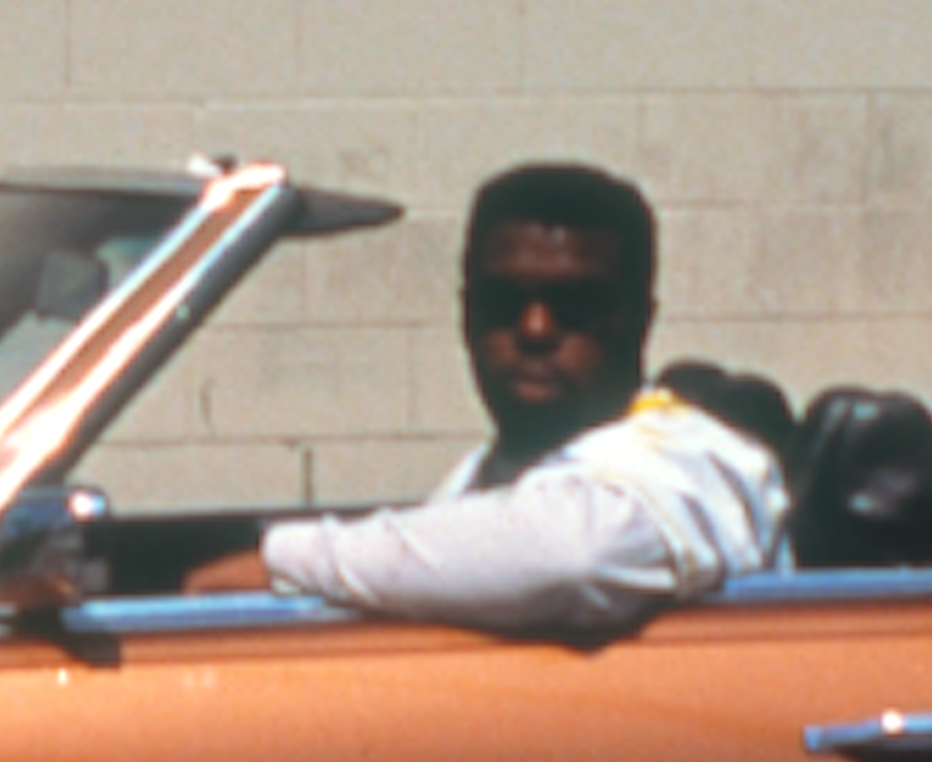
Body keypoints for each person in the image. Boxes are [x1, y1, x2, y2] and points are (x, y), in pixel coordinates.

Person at [191, 163, 787, 637]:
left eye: (575, 305)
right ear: (466, 314)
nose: (535, 329)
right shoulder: (482, 476)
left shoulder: (695, 458)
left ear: (639, 320)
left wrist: (282, 561)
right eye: (504, 301)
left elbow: (572, 556)